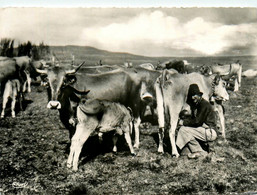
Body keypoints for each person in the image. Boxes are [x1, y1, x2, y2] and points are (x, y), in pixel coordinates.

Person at [176, 84, 217, 159]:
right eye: (191, 95)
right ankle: (198, 151)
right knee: (186, 130)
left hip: (210, 132)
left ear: (199, 95)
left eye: (194, 95)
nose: (192, 97)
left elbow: (197, 121)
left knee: (184, 130)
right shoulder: (198, 104)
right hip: (206, 130)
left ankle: (198, 151)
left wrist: (183, 122)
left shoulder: (204, 104)